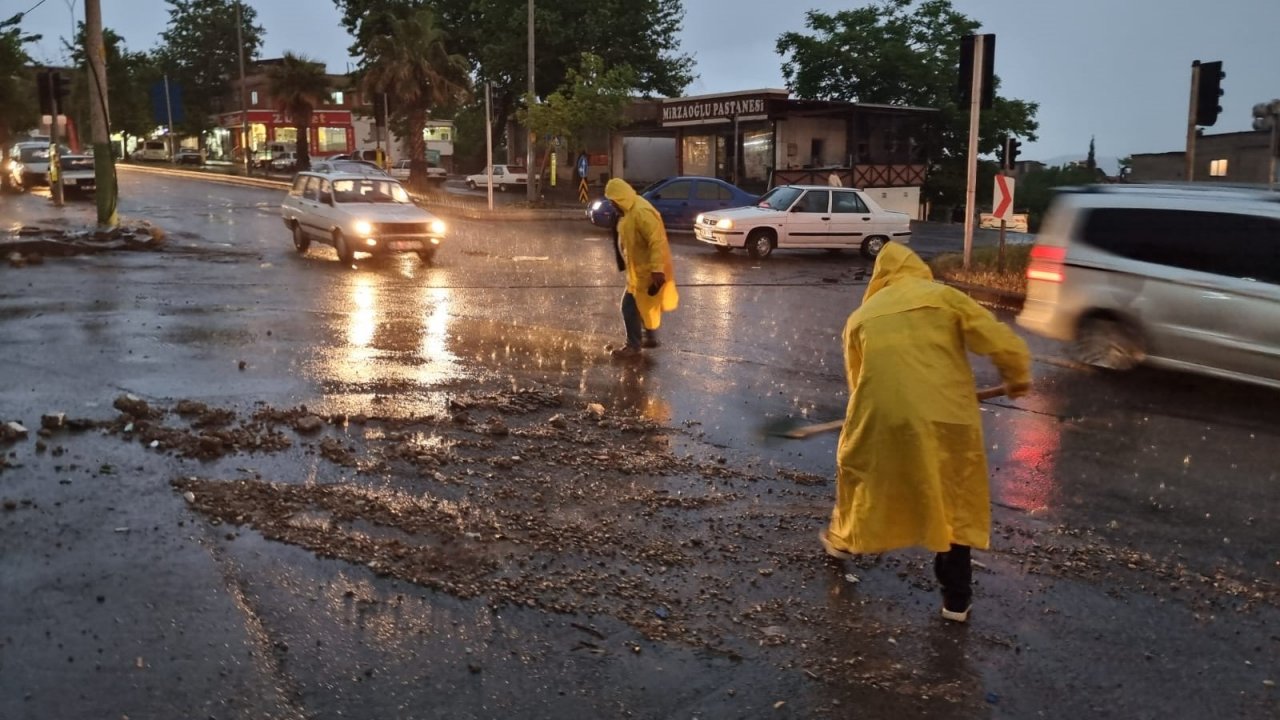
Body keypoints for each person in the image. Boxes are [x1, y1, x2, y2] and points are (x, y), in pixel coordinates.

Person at [820, 243, 1031, 623]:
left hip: (881, 416)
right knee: (954, 498)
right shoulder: (946, 298)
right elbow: (1000, 341)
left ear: (880, 278)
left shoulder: (861, 316)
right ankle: (956, 601)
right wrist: (1017, 378)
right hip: (947, 417)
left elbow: (859, 381)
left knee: (860, 474)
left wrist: (871, 417)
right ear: (918, 270)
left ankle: (843, 541)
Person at [603, 178, 678, 358]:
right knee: (642, 305)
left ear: (621, 198)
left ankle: (633, 346)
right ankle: (649, 337)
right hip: (639, 271)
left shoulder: (641, 211)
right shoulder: (627, 212)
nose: (612, 205)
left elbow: (656, 242)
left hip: (648, 272)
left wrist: (657, 269)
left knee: (629, 306)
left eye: (613, 201)